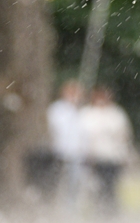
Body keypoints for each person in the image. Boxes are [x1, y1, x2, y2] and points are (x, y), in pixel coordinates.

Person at [79, 87, 133, 212]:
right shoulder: (87, 114)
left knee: (111, 186)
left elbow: (123, 136)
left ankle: (111, 211)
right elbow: (83, 137)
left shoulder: (116, 114)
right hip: (95, 157)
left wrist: (124, 154)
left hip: (112, 157)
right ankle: (98, 210)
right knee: (96, 186)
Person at [47, 80, 85, 211]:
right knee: (57, 185)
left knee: (73, 186)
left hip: (77, 154)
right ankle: (53, 210)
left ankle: (70, 211)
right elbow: (57, 128)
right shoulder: (57, 109)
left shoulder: (81, 111)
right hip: (60, 152)